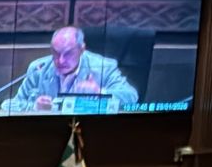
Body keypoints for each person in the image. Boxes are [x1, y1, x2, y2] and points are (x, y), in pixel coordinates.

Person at [8, 26, 139, 112]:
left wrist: (99, 92)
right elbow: (9, 106)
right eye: (56, 52)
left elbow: (131, 97)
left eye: (68, 53)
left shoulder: (104, 67)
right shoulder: (39, 69)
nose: (61, 60)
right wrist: (34, 107)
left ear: (82, 49)